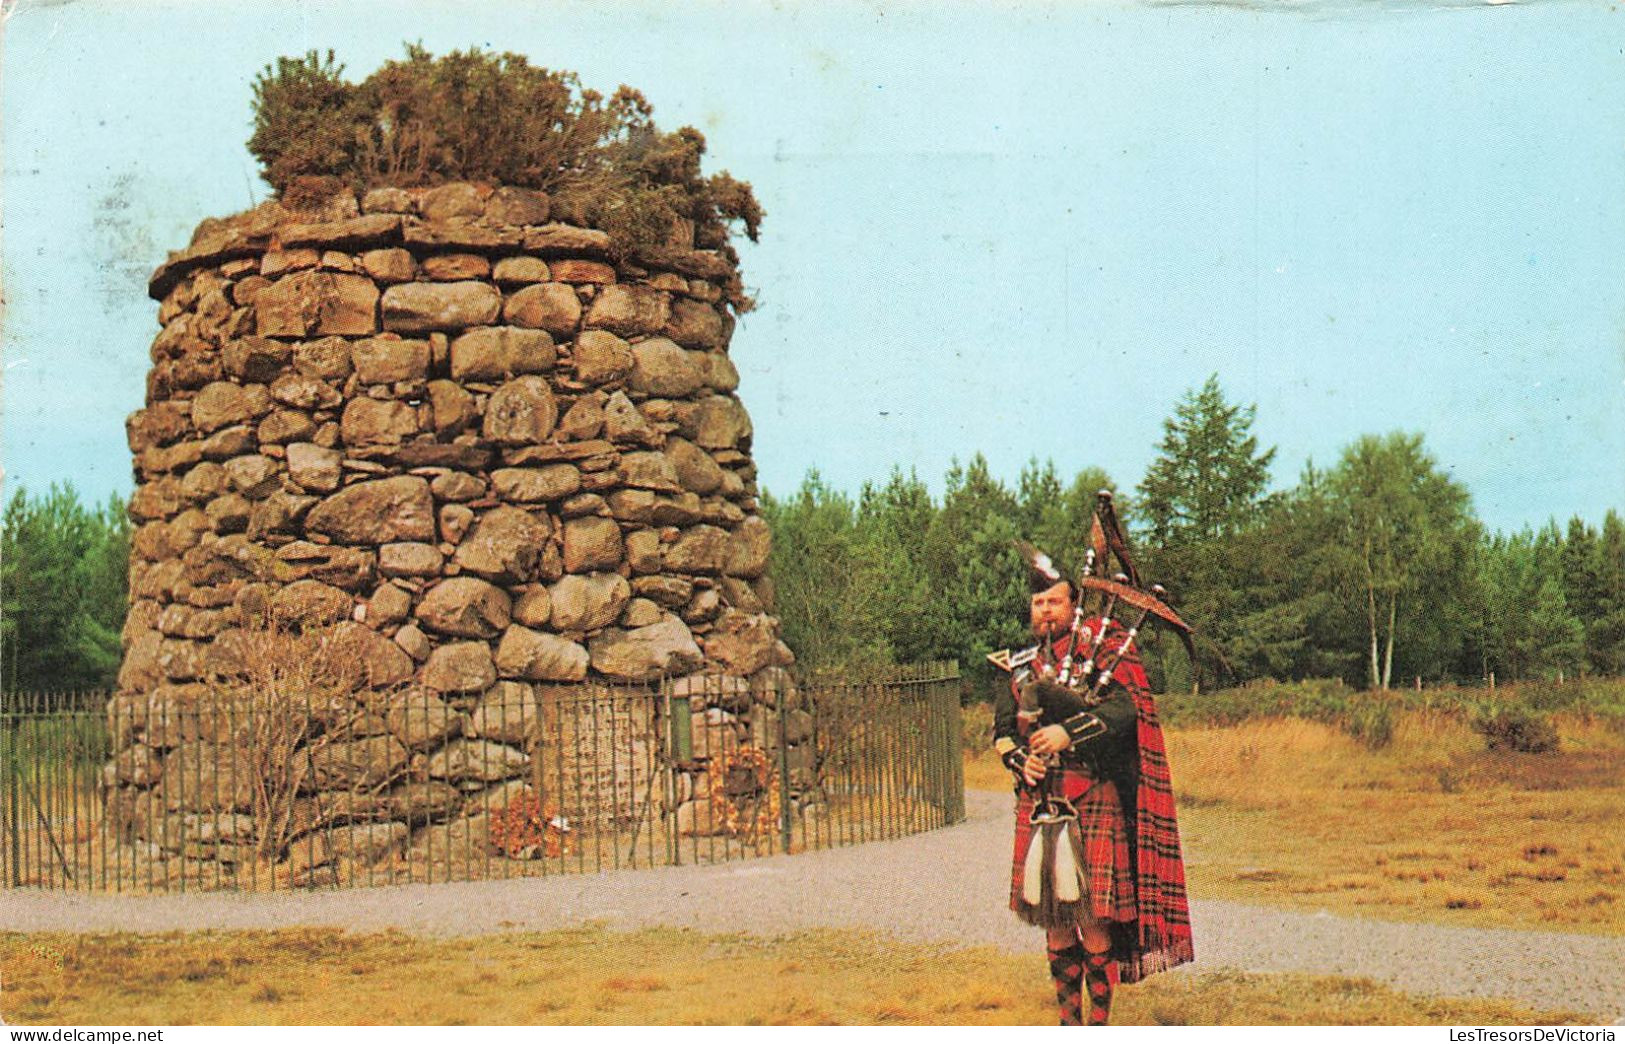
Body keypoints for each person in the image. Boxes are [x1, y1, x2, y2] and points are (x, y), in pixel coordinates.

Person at [993, 568, 1194, 1026]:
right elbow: (1003, 733)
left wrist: (1068, 732)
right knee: (1056, 918)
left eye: (1055, 603)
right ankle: (1069, 1023)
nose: (1046, 612)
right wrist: (1022, 761)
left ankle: (1098, 1025)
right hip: (1040, 800)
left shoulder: (1103, 651)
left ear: (1072, 606)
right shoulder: (1015, 666)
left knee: (1095, 917)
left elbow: (1126, 713)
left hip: (1094, 794)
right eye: (1039, 604)